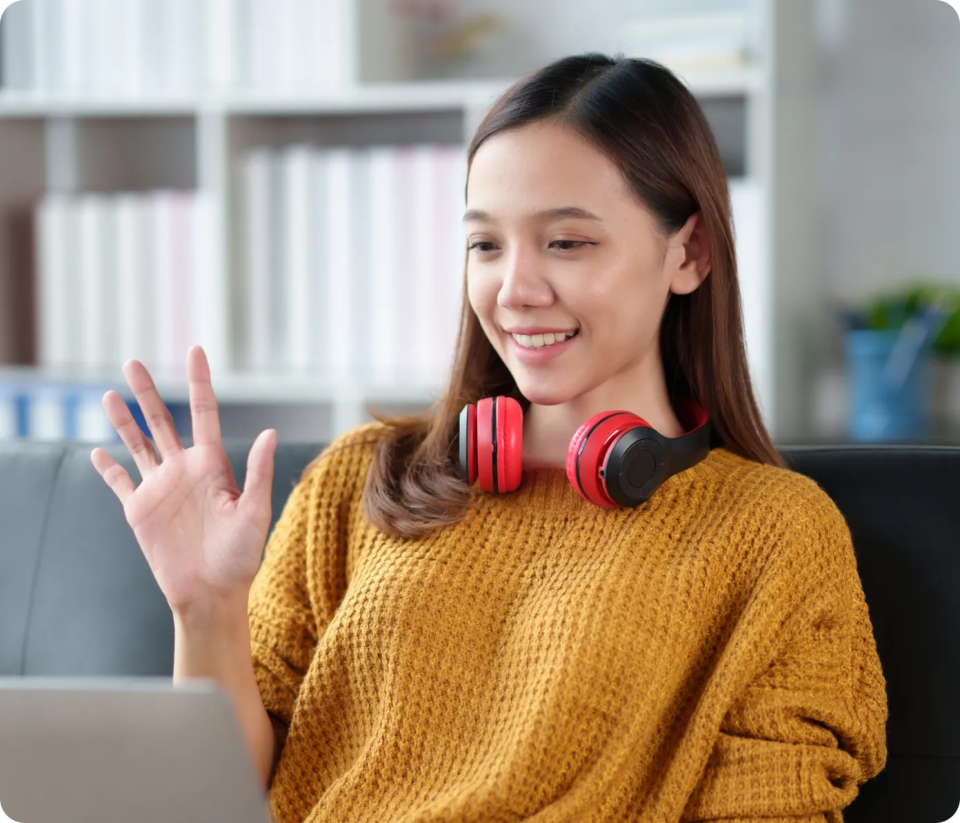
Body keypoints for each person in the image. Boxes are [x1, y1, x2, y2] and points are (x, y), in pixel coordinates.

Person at [91, 53, 888, 823]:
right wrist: (206, 608)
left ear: (689, 252)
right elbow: (223, 794)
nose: (515, 290)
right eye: (485, 244)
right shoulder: (357, 480)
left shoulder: (774, 534)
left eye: (567, 242)